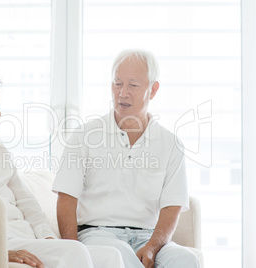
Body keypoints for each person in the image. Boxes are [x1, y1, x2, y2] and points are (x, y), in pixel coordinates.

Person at [0, 70, 125, 268]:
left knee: (110, 255)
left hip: (29, 240)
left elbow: (27, 202)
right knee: (74, 252)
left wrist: (49, 238)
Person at [52, 49, 200, 268]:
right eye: (117, 83)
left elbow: (172, 206)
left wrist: (151, 246)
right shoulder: (85, 135)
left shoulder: (170, 143)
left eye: (133, 85)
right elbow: (66, 198)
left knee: (186, 259)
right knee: (118, 254)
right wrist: (73, 251)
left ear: (153, 90)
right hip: (97, 235)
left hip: (148, 238)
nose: (122, 93)